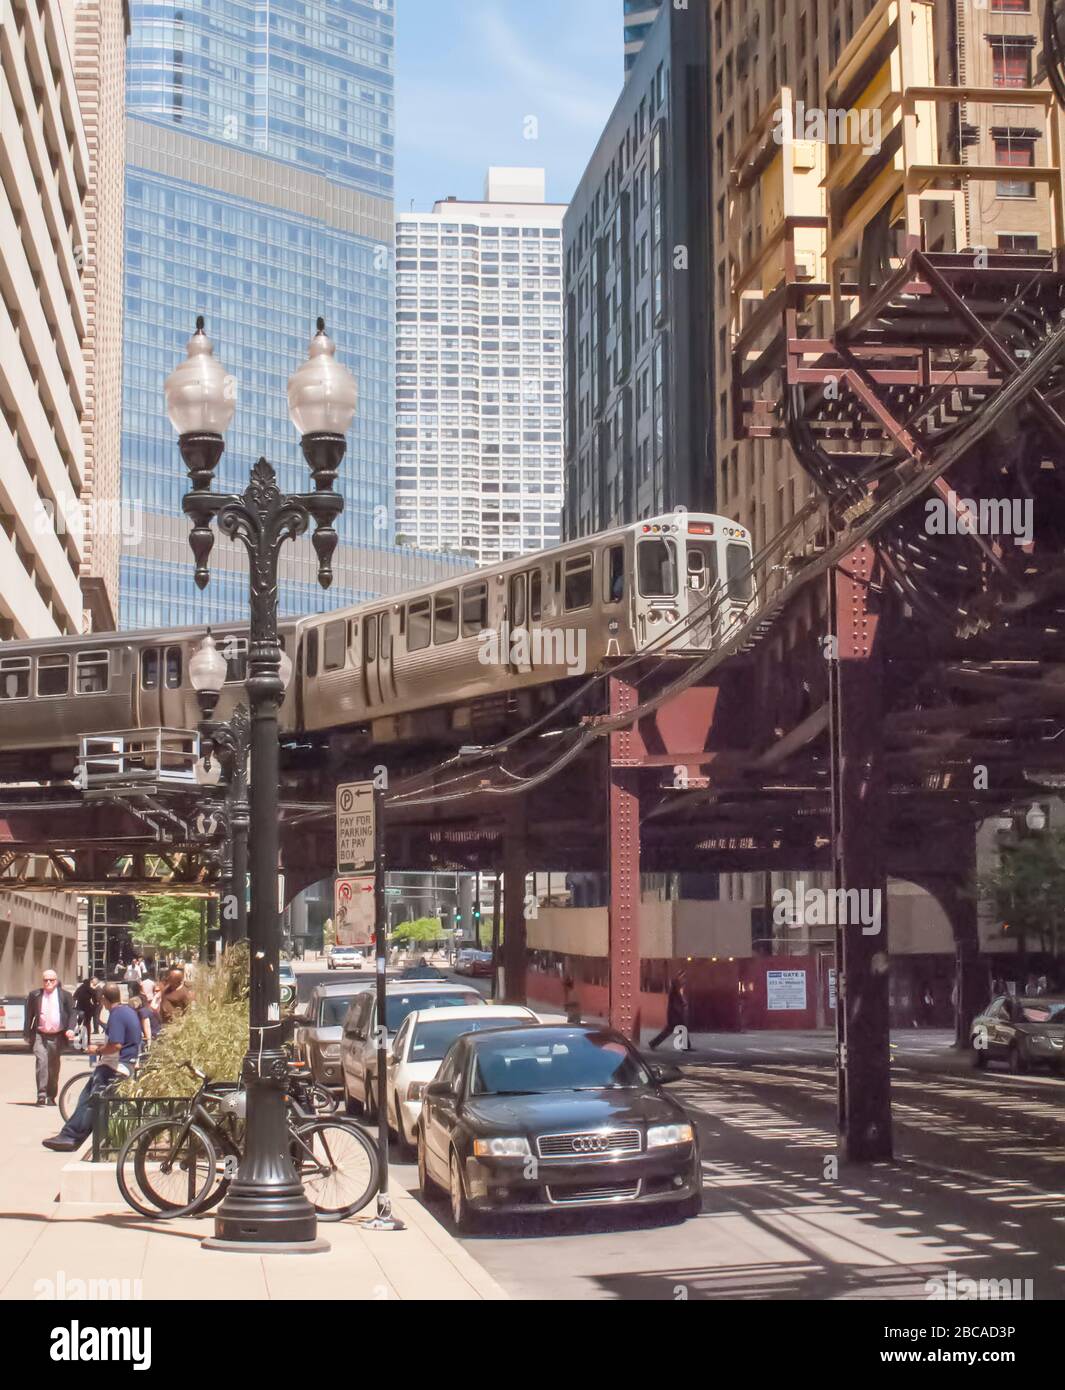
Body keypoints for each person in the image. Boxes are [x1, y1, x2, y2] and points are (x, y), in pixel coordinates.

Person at [42, 983, 141, 1151]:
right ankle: (71, 1134)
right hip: (123, 1064)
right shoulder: (128, 1011)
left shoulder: (116, 1015)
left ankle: (71, 1137)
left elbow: (116, 1045)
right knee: (88, 1098)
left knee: (89, 1102)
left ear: (103, 998)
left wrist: (97, 1049)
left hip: (115, 1067)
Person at [24, 970, 77, 1106]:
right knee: (42, 1061)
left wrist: (71, 1029)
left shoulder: (65, 995)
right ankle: (41, 1094)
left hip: (57, 1036)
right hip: (39, 1034)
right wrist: (27, 1034)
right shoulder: (35, 995)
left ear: (56, 981)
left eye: (51, 980)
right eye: (45, 980)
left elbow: (72, 1014)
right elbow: (29, 1015)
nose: (48, 982)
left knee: (53, 1067)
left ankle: (51, 1095)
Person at [649, 971, 690, 1051]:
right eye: (682, 977)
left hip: (675, 1013)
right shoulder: (676, 988)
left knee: (675, 1029)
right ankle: (653, 1043)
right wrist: (683, 1006)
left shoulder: (675, 988)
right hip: (676, 1014)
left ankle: (686, 1046)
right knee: (672, 1030)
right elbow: (678, 1001)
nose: (683, 979)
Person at [131, 979, 161, 1047]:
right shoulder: (147, 1009)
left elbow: (147, 1027)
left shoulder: (143, 1012)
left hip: (154, 1036)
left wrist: (149, 1042)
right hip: (155, 1034)